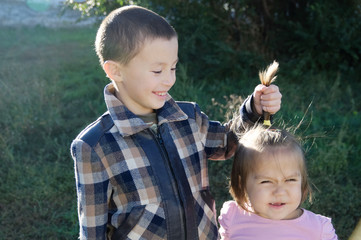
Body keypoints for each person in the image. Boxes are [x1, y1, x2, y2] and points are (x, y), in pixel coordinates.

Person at [70, 5, 282, 240]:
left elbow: (228, 143)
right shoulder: (95, 146)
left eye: (172, 68)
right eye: (157, 71)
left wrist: (254, 109)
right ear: (115, 71)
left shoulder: (188, 118)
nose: (169, 80)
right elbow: (92, 233)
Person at [218, 126, 338, 240]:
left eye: (290, 180)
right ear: (242, 185)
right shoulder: (234, 217)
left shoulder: (318, 230)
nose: (280, 192)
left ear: (302, 182)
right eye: (266, 181)